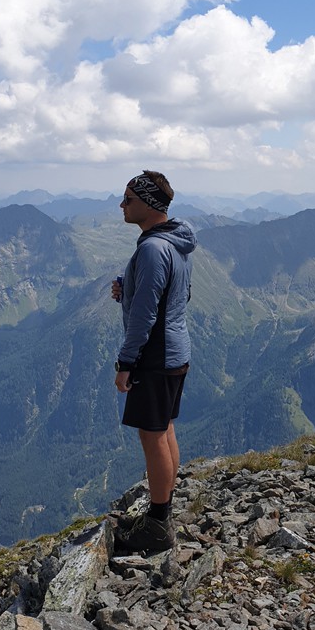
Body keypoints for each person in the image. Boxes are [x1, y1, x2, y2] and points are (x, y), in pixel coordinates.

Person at [109, 170, 197, 555]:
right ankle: (163, 512)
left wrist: (125, 363)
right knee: (165, 430)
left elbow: (146, 314)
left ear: (147, 203)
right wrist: (128, 288)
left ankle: (158, 528)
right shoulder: (175, 243)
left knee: (152, 435)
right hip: (175, 353)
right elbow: (177, 293)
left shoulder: (151, 248)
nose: (122, 205)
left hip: (155, 357)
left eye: (128, 199)